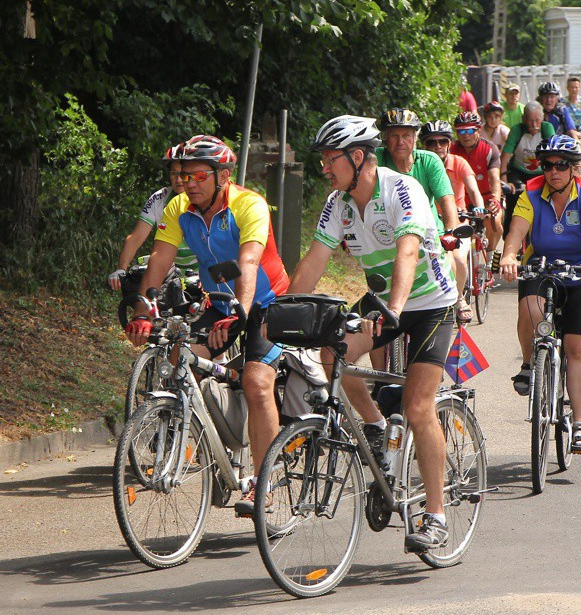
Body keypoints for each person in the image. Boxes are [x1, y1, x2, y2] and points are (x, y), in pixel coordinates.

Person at [291, 115, 458, 549]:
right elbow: (315, 259)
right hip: (384, 300)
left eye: (331, 159)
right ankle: (378, 426)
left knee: (418, 406)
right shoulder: (338, 203)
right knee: (334, 356)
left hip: (430, 302)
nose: (324, 168)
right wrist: (284, 309)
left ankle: (435, 515)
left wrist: (395, 309)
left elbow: (408, 251)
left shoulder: (402, 189)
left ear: (357, 157)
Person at [123, 135, 290, 516]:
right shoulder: (179, 207)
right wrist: (143, 312)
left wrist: (240, 312)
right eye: (184, 175)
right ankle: (208, 450)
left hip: (265, 302)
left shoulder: (249, 204)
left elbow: (248, 263)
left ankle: (264, 482)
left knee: (256, 383)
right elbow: (159, 261)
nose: (189, 183)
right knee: (179, 363)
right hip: (219, 302)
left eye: (199, 175)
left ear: (223, 176)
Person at [499, 135, 581, 454]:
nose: (553, 172)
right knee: (530, 308)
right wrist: (509, 256)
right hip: (542, 266)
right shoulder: (531, 192)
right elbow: (517, 230)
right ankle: (529, 363)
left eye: (561, 165)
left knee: (579, 349)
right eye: (547, 165)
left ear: (574, 168)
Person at [375, 108, 464, 319]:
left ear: (415, 138)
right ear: (385, 138)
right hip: (388, 231)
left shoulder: (430, 161)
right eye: (394, 136)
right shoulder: (376, 159)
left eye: (406, 135)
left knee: (450, 264)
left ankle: (453, 304)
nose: (400, 142)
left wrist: (450, 232)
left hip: (429, 231)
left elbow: (446, 200)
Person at [421, 120, 484, 320]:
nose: (437, 146)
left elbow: (473, 189)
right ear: (424, 145)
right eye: (431, 143)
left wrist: (479, 206)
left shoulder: (459, 162)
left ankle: (459, 299)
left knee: (457, 258)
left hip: (458, 221)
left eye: (442, 141)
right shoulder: (419, 163)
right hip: (429, 221)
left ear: (449, 143)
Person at [108, 146, 196, 290]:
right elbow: (136, 237)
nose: (179, 179)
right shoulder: (159, 198)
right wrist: (121, 269)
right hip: (170, 270)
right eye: (174, 173)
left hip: (201, 270)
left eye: (183, 174)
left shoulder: (201, 198)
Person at [450, 111, 504, 255]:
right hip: (462, 199)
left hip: (486, 197)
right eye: (461, 131)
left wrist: (495, 200)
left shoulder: (489, 149)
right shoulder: (451, 150)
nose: (465, 135)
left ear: (479, 130)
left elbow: (494, 179)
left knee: (494, 222)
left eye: (470, 131)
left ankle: (491, 253)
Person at [500, 102, 556, 236]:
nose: (534, 124)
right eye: (530, 120)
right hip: (518, 172)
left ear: (542, 118)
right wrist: (504, 180)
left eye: (537, 120)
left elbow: (554, 152)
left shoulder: (547, 128)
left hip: (540, 172)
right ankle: (509, 234)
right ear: (523, 119)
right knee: (513, 198)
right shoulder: (517, 130)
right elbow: (505, 156)